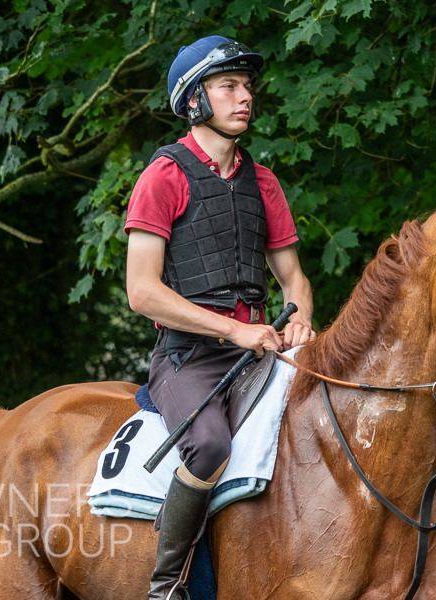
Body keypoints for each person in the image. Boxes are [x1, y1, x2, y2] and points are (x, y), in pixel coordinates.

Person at [124, 36, 316, 600]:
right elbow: (141, 291)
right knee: (209, 445)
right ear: (193, 100)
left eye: (248, 87)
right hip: (188, 357)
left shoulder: (263, 183)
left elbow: (293, 280)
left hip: (259, 350)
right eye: (228, 87)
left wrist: (300, 318)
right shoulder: (163, 177)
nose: (245, 97)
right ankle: (166, 586)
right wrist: (235, 329)